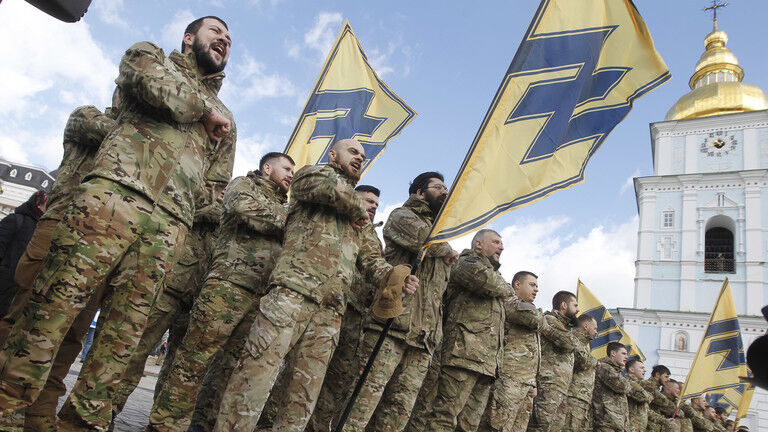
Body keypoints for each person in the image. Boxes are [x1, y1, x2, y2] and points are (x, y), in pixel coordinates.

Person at [0, 14, 235, 431]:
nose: (224, 41)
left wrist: (187, 198)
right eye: (216, 32)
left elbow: (215, 186)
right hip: (113, 198)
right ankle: (9, 412)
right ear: (188, 37)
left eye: (229, 40)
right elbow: (156, 89)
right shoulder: (148, 56)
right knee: (52, 309)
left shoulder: (226, 120)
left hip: (169, 226)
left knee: (122, 336)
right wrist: (203, 110)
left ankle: (80, 422)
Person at [213, 138, 419, 432]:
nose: (359, 158)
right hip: (293, 294)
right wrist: (355, 205)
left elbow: (373, 262)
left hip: (330, 312)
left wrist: (398, 278)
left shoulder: (361, 220)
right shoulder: (312, 176)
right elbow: (320, 187)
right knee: (254, 376)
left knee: (302, 397)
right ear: (333, 155)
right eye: (353, 152)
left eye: (363, 155)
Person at [146, 152, 294, 432]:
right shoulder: (243, 185)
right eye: (286, 168)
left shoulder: (285, 207)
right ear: (267, 168)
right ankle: (163, 426)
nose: (290, 175)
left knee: (226, 371)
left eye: (292, 172)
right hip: (227, 286)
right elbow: (244, 209)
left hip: (258, 297)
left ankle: (199, 427)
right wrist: (290, 222)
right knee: (193, 362)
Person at [0, 101, 117, 431]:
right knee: (25, 323)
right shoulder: (89, 117)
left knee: (70, 339)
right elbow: (113, 135)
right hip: (60, 229)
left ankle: (39, 416)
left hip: (102, 244)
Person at [340, 171, 457, 432]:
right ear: (419, 192)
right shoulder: (403, 216)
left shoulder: (443, 232)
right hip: (392, 325)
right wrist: (448, 249)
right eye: (438, 187)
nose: (445, 192)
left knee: (397, 412)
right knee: (361, 403)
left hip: (422, 337)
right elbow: (427, 242)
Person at [305, 184, 385, 432]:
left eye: (376, 204)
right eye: (368, 200)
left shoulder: (372, 234)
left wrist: (393, 276)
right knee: (305, 369)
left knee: (336, 380)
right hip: (322, 302)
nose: (373, 206)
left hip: (354, 315)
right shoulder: (333, 215)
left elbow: (374, 263)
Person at [421, 229, 512, 431]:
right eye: (496, 242)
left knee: (468, 425)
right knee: (444, 418)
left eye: (501, 243)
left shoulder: (494, 273)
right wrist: (507, 288)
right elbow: (486, 281)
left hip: (486, 364)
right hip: (462, 356)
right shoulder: (466, 262)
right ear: (479, 244)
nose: (501, 247)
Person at [478, 271, 544, 432]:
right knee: (498, 426)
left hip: (526, 382)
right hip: (509, 378)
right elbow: (535, 320)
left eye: (537, 286)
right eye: (532, 285)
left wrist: (533, 383)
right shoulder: (509, 301)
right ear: (517, 285)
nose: (536, 289)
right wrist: (541, 317)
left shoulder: (525, 307)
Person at [526, 290, 579, 432]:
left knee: (555, 427)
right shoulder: (549, 320)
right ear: (563, 305)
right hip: (548, 384)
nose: (578, 310)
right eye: (575, 305)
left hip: (560, 387)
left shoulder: (563, 327)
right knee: (539, 426)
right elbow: (568, 344)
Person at [0, 190, 46, 315]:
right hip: (5, 283)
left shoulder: (43, 229)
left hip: (19, 290)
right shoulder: (16, 220)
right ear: (38, 204)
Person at [563, 314, 598, 432]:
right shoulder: (574, 339)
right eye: (595, 328)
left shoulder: (584, 345)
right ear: (586, 326)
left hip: (582, 400)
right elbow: (582, 361)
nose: (596, 332)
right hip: (573, 397)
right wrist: (595, 362)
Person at [592, 342, 631, 431]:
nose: (626, 357)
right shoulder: (604, 367)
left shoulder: (615, 371)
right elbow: (623, 386)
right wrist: (628, 384)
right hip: (606, 422)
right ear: (613, 353)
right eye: (623, 353)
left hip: (615, 423)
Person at [625, 358, 662, 432]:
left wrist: (664, 420)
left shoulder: (639, 384)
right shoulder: (629, 382)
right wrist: (649, 395)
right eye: (641, 368)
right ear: (632, 369)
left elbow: (646, 410)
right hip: (630, 428)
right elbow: (644, 397)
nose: (644, 370)